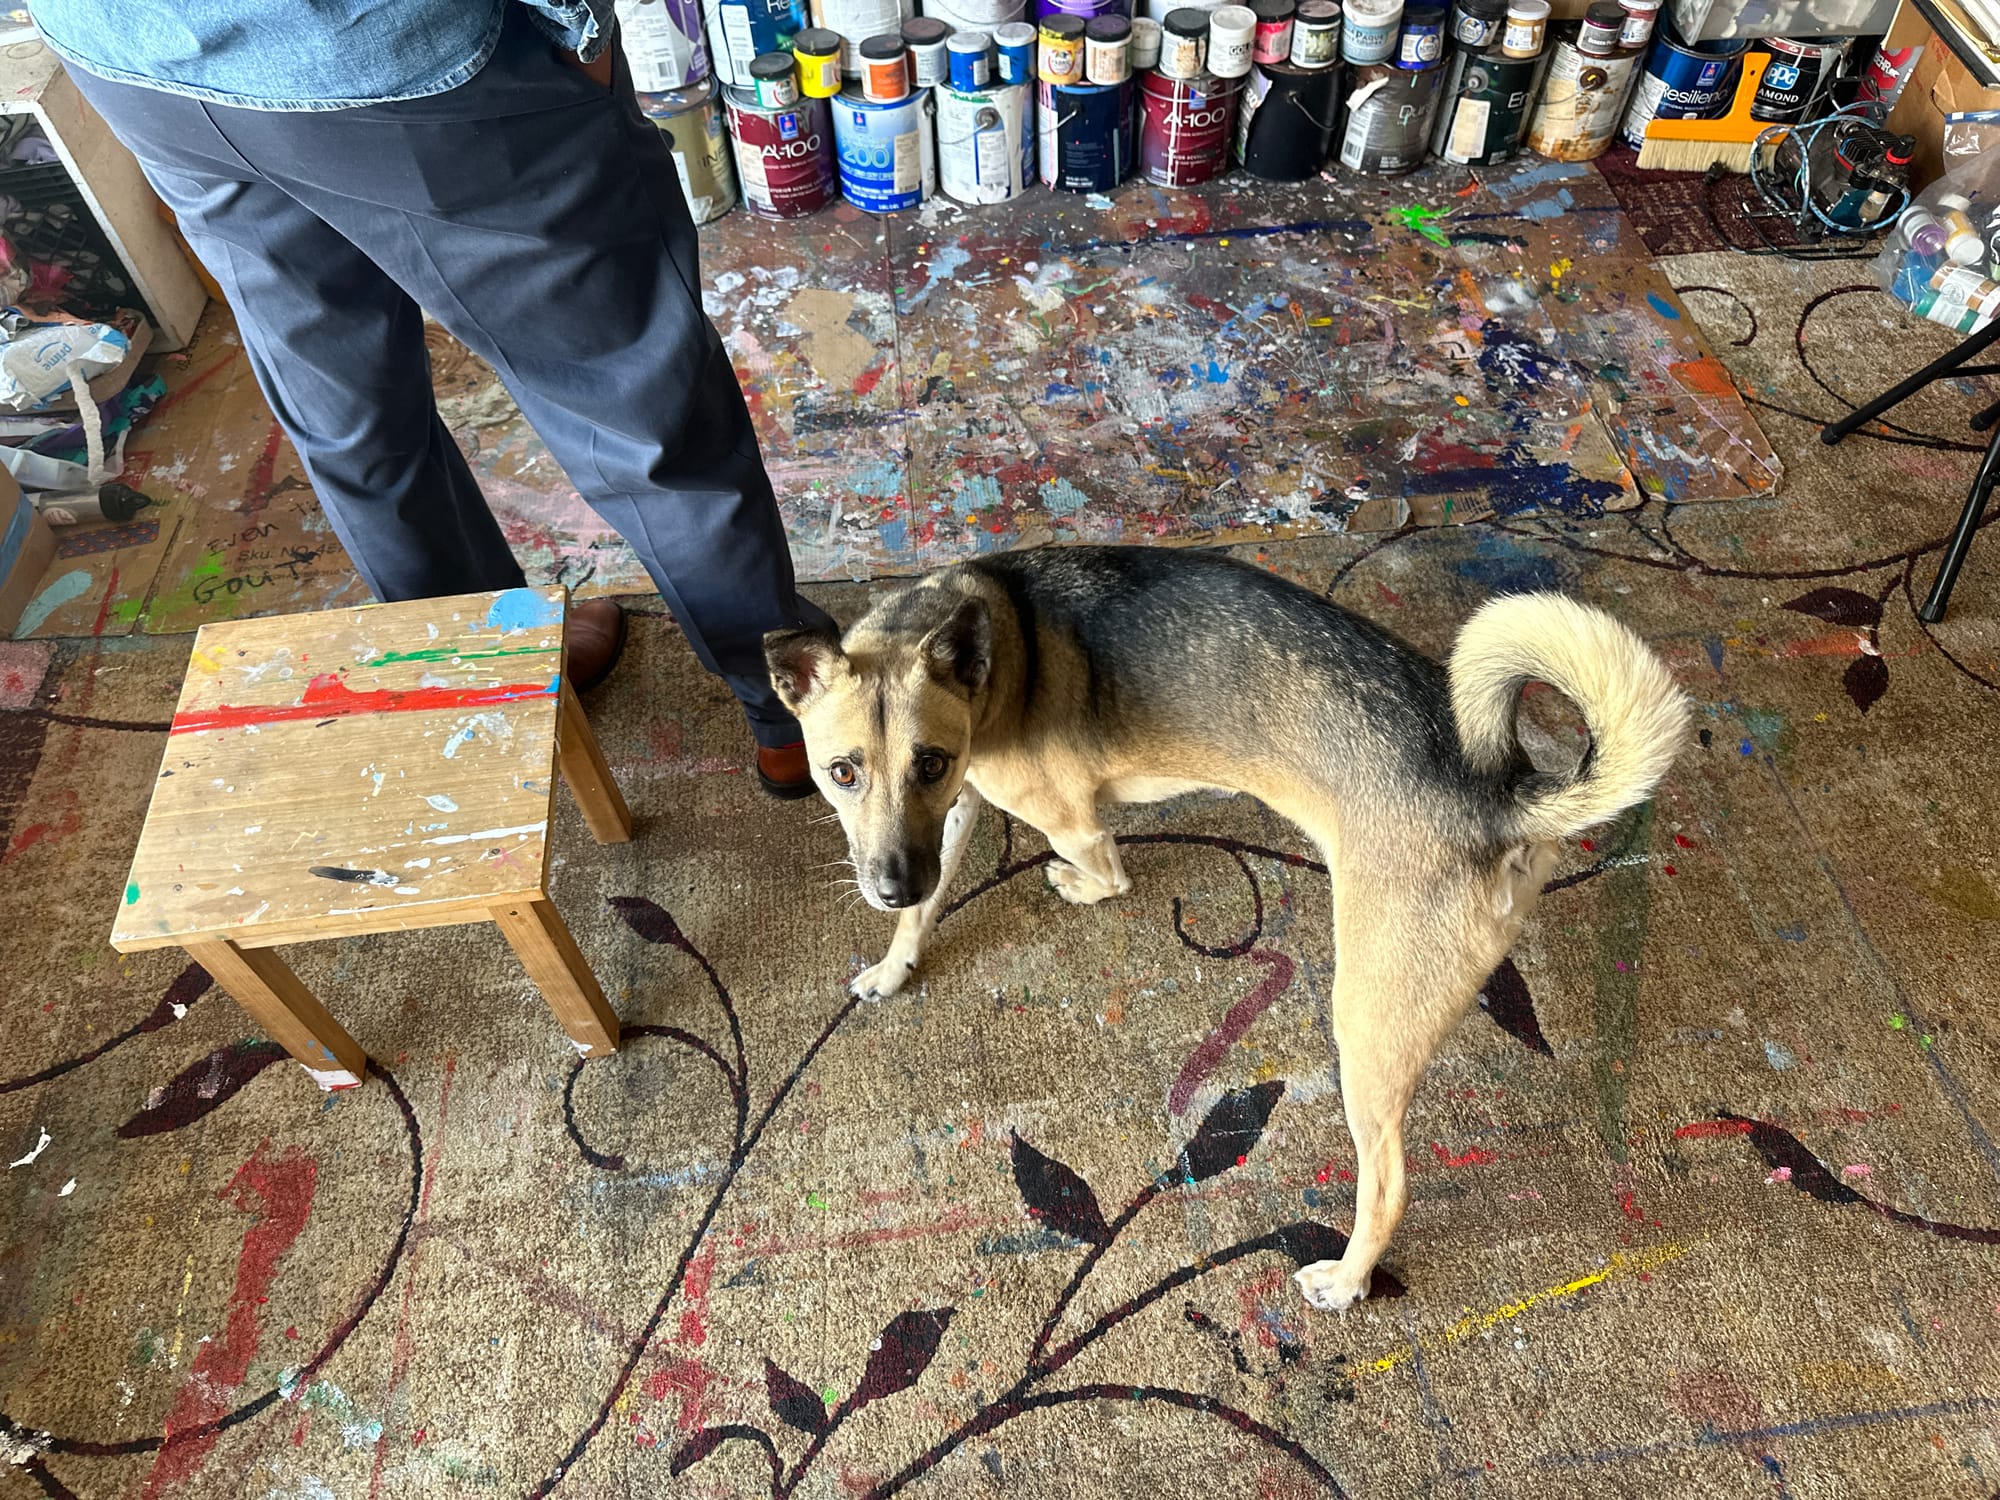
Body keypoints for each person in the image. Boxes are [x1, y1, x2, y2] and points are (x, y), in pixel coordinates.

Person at [27, 0, 835, 797]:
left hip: (138, 63)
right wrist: (579, 25)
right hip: (389, 61)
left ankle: (492, 683)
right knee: (640, 416)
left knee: (352, 428)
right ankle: (795, 717)